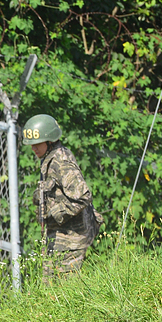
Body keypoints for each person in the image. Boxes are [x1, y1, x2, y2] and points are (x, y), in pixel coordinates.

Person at [23, 114, 100, 281]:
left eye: (37, 144)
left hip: (71, 239)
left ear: (49, 141)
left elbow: (83, 196)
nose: (33, 149)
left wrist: (55, 212)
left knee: (64, 291)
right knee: (49, 288)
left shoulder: (60, 161)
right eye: (31, 145)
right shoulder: (49, 159)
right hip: (60, 237)